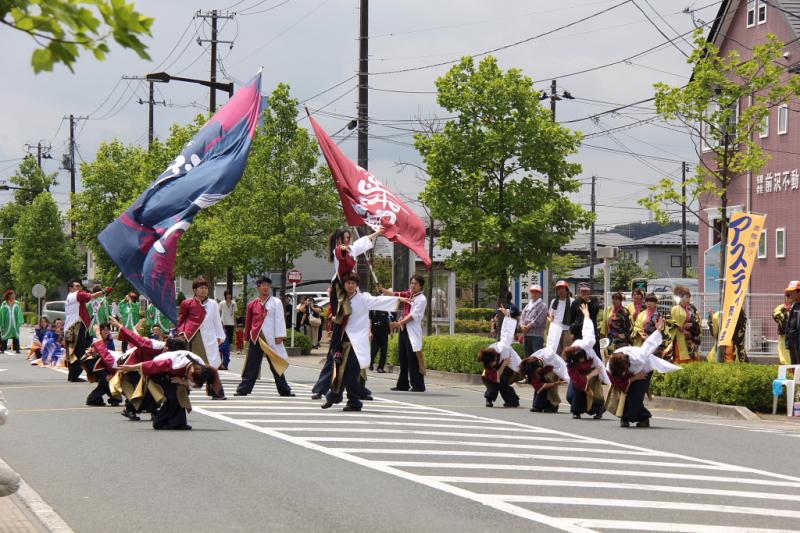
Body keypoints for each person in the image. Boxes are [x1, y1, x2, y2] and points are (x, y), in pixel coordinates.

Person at [321, 272, 407, 412]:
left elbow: (379, 301)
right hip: (342, 342)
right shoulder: (340, 299)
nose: (350, 285)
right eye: (348, 283)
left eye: (353, 283)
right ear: (344, 284)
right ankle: (334, 397)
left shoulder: (363, 299)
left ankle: (354, 402)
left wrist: (399, 299)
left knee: (351, 374)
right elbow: (337, 324)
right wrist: (335, 347)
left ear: (357, 285)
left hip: (357, 343)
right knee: (338, 373)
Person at [119, 342, 223, 430]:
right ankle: (162, 422)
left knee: (180, 392)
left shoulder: (200, 366)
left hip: (175, 374)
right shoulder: (174, 363)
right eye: (190, 377)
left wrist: (183, 382)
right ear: (190, 372)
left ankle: (173, 422)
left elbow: (196, 384)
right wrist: (132, 367)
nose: (190, 379)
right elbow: (151, 365)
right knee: (173, 395)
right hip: (158, 372)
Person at [606, 314, 681, 428]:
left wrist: (658, 329)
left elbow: (649, 344)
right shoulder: (610, 368)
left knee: (635, 398)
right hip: (633, 375)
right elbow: (621, 385)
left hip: (644, 371)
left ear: (627, 364)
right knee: (623, 395)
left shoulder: (638, 358)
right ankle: (625, 417)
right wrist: (632, 378)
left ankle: (643, 417)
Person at [235, 277, 294, 397]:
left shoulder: (276, 302)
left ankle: (284, 389)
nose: (265, 287)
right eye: (262, 285)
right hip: (256, 337)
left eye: (267, 285)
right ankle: (243, 389)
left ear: (270, 287)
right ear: (258, 287)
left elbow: (279, 318)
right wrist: (246, 338)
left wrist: (280, 335)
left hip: (271, 337)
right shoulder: (252, 304)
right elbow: (248, 321)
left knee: (275, 364)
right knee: (252, 364)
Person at [177, 277, 227, 399]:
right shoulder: (187, 303)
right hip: (194, 337)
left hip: (210, 337)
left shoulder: (213, 304)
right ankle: (185, 390)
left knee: (211, 365)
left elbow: (216, 321)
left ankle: (214, 391)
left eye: (205, 288)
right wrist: (181, 333)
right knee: (193, 365)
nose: (204, 290)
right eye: (201, 288)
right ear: (195, 290)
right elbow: (182, 321)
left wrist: (221, 335)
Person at [381, 275, 428, 392]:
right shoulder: (408, 294)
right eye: (412, 283)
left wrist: (398, 323)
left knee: (413, 358)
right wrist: (382, 289)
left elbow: (413, 316)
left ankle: (418, 385)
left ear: (421, 286)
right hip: (404, 329)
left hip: (412, 330)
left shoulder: (421, 299)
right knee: (402, 357)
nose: (413, 285)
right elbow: (395, 295)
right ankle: (403, 384)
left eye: (415, 283)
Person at [563, 303, 609, 420]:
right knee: (571, 395)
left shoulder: (587, 346)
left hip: (592, 370)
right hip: (579, 375)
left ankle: (598, 410)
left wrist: (587, 316)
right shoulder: (571, 360)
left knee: (596, 395)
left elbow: (588, 330)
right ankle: (577, 410)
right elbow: (576, 380)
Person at [519, 316, 570, 413]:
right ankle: (537, 405)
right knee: (542, 386)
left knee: (548, 377)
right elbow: (542, 386)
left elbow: (562, 368)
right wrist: (556, 383)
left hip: (551, 370)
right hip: (542, 379)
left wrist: (568, 379)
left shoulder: (548, 356)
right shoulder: (531, 371)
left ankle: (552, 405)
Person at [478, 307, 521, 408]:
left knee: (502, 382)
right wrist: (495, 368)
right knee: (491, 381)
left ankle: (513, 401)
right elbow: (494, 377)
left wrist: (507, 316)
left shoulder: (503, 349)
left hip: (509, 367)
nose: (492, 364)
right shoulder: (488, 355)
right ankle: (489, 399)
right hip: (498, 369)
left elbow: (506, 333)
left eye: (492, 362)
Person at [64, 280, 107, 382]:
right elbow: (93, 296)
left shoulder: (70, 297)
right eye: (77, 286)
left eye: (80, 286)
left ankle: (72, 375)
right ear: (71, 288)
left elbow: (87, 303)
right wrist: (104, 291)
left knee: (72, 351)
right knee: (79, 351)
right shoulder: (77, 295)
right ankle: (75, 375)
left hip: (70, 327)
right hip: (77, 326)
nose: (80, 288)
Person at [82, 323, 124, 407]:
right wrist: (97, 332)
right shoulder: (96, 339)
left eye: (107, 329)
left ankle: (94, 398)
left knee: (106, 379)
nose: (106, 331)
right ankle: (114, 398)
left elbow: (110, 356)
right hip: (93, 362)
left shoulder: (110, 340)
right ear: (100, 331)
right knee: (107, 378)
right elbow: (99, 351)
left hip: (104, 363)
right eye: (104, 329)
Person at [666, 285, 701, 363]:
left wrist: (691, 325)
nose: (688, 299)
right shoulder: (676, 308)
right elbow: (671, 322)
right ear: (681, 298)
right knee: (680, 357)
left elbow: (696, 320)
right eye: (686, 297)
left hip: (690, 338)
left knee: (692, 358)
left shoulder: (690, 309)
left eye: (689, 297)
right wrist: (682, 328)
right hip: (679, 337)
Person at [568, 283, 601, 360]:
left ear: (589, 292)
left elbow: (595, 312)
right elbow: (571, 319)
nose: (584, 293)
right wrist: (572, 332)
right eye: (582, 291)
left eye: (586, 291)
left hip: (591, 332)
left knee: (595, 354)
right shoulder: (575, 302)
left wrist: (588, 302)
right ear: (579, 291)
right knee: (579, 355)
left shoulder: (594, 301)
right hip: (578, 333)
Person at [633, 293, 665, 359]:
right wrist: (642, 335)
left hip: (655, 344)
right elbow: (636, 327)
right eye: (647, 301)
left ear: (655, 303)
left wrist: (658, 329)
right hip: (643, 342)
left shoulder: (659, 316)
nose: (649, 303)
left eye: (651, 301)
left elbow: (664, 331)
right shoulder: (641, 315)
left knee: (655, 363)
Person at [519, 284, 548, 356]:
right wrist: (521, 325)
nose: (534, 293)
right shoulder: (528, 305)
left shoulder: (543, 306)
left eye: (536, 292)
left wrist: (527, 327)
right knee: (527, 357)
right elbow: (522, 316)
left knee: (536, 357)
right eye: (532, 292)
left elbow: (538, 320)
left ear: (540, 294)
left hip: (537, 336)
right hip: (526, 335)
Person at [549, 280, 574, 355]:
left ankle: (567, 367)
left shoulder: (572, 301)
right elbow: (551, 314)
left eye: (562, 288)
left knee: (567, 353)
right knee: (556, 352)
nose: (560, 291)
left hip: (567, 330)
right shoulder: (554, 301)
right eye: (558, 289)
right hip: (556, 330)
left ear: (567, 290)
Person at [0, 289, 24, 355]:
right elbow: (1, 314)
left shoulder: (17, 304)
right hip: (7, 323)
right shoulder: (4, 304)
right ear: (9, 296)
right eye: (12, 295)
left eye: (14, 295)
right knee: (4, 335)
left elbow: (19, 313)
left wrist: (20, 321)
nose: (13, 296)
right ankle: (2, 349)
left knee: (15, 335)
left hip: (14, 323)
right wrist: (2, 323)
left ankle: (17, 349)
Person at [774, 291, 794, 365]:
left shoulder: (797, 307)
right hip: (784, 335)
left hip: (795, 335)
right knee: (783, 353)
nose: (790, 298)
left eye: (791, 296)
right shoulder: (782, 307)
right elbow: (776, 315)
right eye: (788, 296)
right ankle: (788, 368)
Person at [219, 290, 237, 370]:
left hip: (231, 323)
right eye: (227, 294)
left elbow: (235, 314)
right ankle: (221, 360)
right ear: (225, 295)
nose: (228, 296)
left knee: (229, 341)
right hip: (223, 323)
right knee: (223, 341)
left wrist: (235, 323)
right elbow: (219, 313)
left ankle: (226, 357)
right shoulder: (222, 303)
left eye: (230, 294)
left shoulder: (233, 303)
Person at [784, 281, 800, 365]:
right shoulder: (795, 305)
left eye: (792, 291)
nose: (790, 293)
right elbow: (790, 324)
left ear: (798, 291)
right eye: (789, 291)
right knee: (795, 369)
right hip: (793, 343)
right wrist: (788, 341)